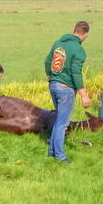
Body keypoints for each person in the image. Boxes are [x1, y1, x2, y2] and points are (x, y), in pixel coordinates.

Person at [44, 21, 91, 163]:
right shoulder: (79, 49)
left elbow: (47, 62)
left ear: (73, 30)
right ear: (85, 35)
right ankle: (60, 156)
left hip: (53, 85)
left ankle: (52, 151)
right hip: (66, 89)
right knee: (62, 123)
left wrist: (51, 78)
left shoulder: (58, 42)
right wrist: (84, 95)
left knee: (59, 120)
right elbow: (76, 73)